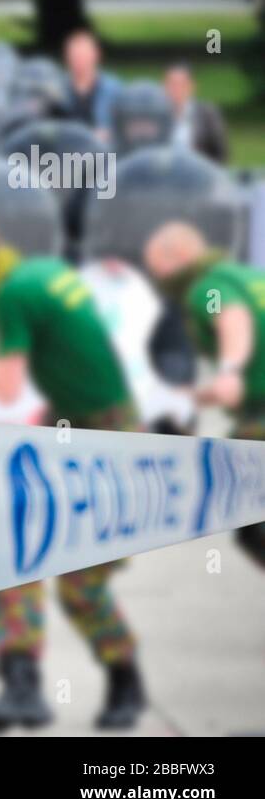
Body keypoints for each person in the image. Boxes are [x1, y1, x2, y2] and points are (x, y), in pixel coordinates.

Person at [0, 216, 146, 731]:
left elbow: (5, 388)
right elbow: (71, 357)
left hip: (105, 444)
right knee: (13, 553)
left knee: (80, 582)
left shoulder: (10, 295)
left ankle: (125, 680)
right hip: (91, 429)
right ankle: (21, 682)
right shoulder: (44, 271)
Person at [143, 221, 265, 567]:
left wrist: (229, 370)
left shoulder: (207, 287)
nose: (155, 275)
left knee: (251, 520)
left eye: (156, 265)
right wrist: (192, 398)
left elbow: (231, 318)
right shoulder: (245, 275)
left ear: (179, 255)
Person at [61, 30, 122, 143]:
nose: (79, 60)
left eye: (83, 55)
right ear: (67, 57)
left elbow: (122, 126)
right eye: (75, 55)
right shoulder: (57, 89)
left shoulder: (114, 90)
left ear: (96, 55)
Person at [164, 64, 229, 163]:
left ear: (191, 86)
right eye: (172, 84)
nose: (176, 89)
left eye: (181, 84)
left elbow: (220, 151)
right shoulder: (157, 115)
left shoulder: (207, 114)